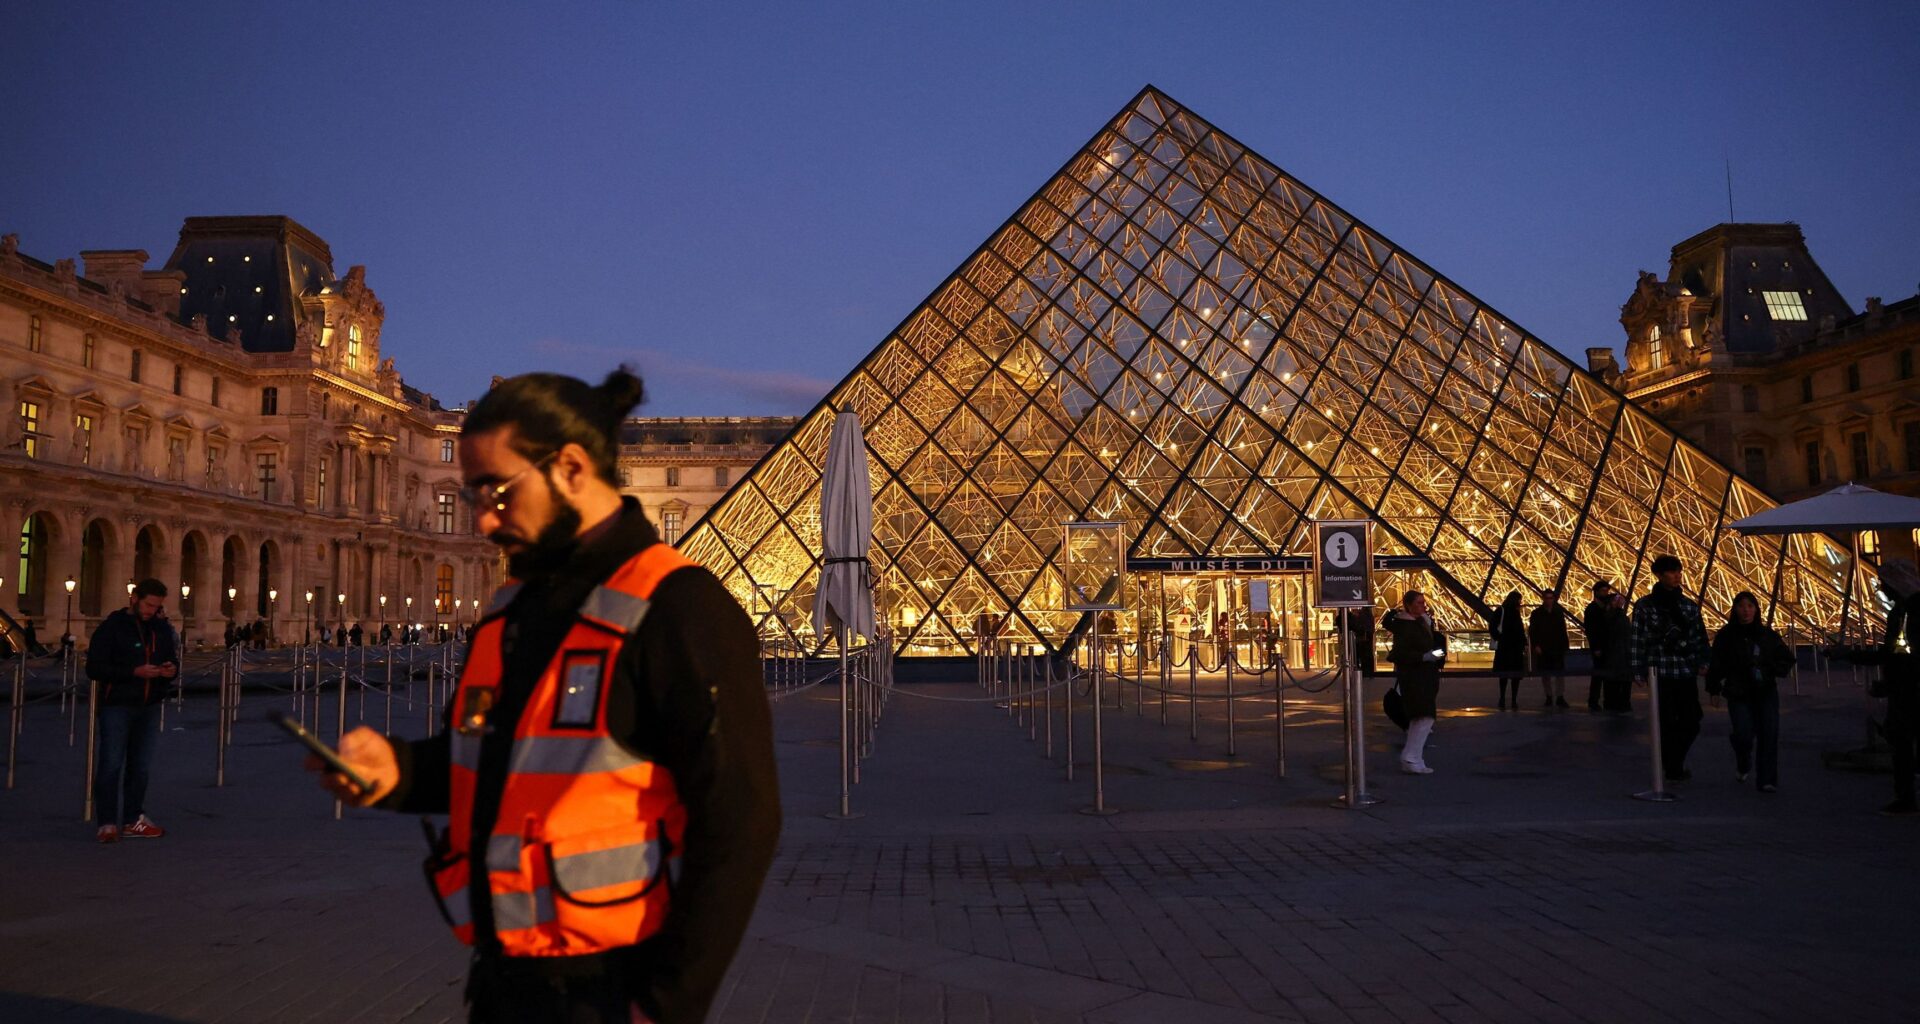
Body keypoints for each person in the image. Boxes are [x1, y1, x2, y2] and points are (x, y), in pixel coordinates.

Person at [308, 367, 781, 1023]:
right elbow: (489, 765)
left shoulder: (681, 605)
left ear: (572, 468)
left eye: (497, 492)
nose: (482, 519)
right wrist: (400, 771)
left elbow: (742, 820)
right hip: (503, 981)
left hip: (612, 989)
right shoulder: (511, 611)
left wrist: (669, 1004)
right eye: (473, 494)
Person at [85, 579, 178, 843]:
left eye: (156, 606)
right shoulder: (111, 628)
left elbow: (171, 659)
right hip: (117, 705)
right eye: (148, 604)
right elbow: (94, 668)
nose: (151, 610)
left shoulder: (159, 629)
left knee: (141, 767)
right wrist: (133, 672)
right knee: (111, 765)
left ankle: (133, 819)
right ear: (134, 598)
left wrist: (170, 670)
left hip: (148, 705)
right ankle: (106, 823)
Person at [1825, 559, 1920, 814]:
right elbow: (1891, 655)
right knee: (1901, 743)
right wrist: (1849, 655)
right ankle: (1905, 796)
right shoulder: (1899, 612)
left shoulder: (1910, 612)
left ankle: (1906, 797)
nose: (1881, 589)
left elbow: (1895, 655)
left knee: (1902, 744)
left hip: (1910, 689)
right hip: (1902, 688)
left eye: (1884, 583)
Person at [1631, 554, 1712, 782]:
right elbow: (1637, 639)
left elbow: (1700, 637)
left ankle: (1672, 762)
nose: (1677, 575)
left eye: (1679, 571)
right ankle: (1674, 767)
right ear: (1659, 574)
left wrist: (1703, 661)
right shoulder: (1645, 605)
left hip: (1684, 672)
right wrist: (1637, 670)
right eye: (1672, 571)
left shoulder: (1688, 606)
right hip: (1660, 673)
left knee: (1692, 721)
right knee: (1665, 722)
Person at [1704, 591, 1795, 792]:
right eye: (1742, 606)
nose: (1746, 610)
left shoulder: (1768, 635)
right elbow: (1717, 663)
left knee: (1769, 734)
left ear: (1756, 609)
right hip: (1738, 691)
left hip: (1765, 691)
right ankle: (1743, 760)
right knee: (1743, 734)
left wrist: (1770, 668)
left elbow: (1786, 658)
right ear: (1735, 609)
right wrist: (1714, 688)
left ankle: (1767, 780)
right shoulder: (1726, 635)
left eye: (1750, 606)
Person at [1381, 590, 1446, 773]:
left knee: (1422, 718)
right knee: (1424, 716)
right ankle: (1411, 757)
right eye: (1419, 603)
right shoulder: (1406, 626)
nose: (1423, 606)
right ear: (1408, 605)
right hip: (1415, 676)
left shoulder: (1420, 622)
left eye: (1423, 602)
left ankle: (1412, 757)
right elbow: (1399, 654)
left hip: (1423, 675)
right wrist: (1425, 656)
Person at [1593, 590, 1634, 713]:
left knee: (1620, 680)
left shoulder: (1618, 616)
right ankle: (1617, 703)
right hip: (1616, 652)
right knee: (1616, 680)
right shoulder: (1612, 617)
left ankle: (1619, 703)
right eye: (1616, 599)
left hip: (1621, 652)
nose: (1620, 600)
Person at [1530, 589, 1571, 708]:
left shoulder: (1558, 612)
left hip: (1557, 647)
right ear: (1543, 599)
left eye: (1550, 598)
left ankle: (1559, 696)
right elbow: (1533, 631)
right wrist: (1536, 645)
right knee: (1546, 674)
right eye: (1547, 598)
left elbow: (1563, 630)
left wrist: (1565, 645)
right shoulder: (1537, 613)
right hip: (1544, 647)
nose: (1549, 600)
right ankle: (1549, 696)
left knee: (1559, 674)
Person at [1490, 591, 1527, 710]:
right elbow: (1520, 630)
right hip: (1513, 648)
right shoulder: (1511, 612)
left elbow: (1492, 626)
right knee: (1514, 677)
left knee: (1504, 676)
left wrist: (1499, 637)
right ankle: (1513, 700)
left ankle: (1502, 698)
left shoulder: (1501, 610)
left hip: (1504, 648)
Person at [1581, 581, 1614, 710]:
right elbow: (1590, 630)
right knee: (1598, 675)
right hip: (1599, 647)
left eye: (1606, 591)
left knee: (1607, 675)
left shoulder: (1607, 608)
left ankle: (1607, 700)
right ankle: (1593, 701)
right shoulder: (1591, 609)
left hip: (1608, 646)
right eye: (1603, 591)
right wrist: (1595, 648)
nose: (1605, 593)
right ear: (1596, 592)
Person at [1349, 605, 1376, 677]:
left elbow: (1357, 625)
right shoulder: (1369, 615)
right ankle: (1369, 672)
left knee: (1362, 654)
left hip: (1362, 637)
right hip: (1367, 637)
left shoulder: (1363, 615)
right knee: (1368, 655)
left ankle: (1363, 672)